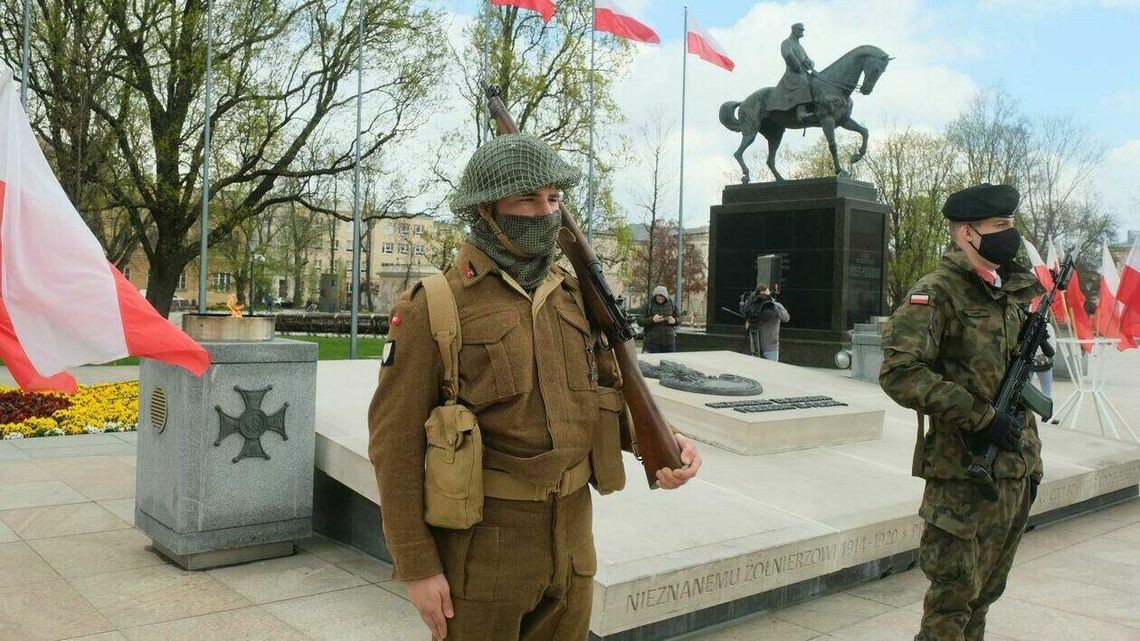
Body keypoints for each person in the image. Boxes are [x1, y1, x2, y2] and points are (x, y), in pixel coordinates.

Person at [367, 133, 702, 641]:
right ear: (485, 209)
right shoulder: (432, 306)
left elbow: (609, 389)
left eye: (554, 199)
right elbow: (394, 445)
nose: (545, 212)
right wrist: (417, 565)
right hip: (483, 548)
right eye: (527, 198)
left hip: (572, 539)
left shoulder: (572, 294)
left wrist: (663, 441)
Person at [879, 183, 1045, 641]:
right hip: (964, 475)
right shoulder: (937, 293)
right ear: (968, 233)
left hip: (1014, 469)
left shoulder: (1008, 290)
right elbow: (899, 372)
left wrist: (1036, 350)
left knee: (985, 596)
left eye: (1011, 224)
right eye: (1000, 226)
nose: (1010, 234)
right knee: (951, 606)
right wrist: (982, 417)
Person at [773, 22, 815, 123]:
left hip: (803, 72)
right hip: (793, 73)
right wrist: (798, 67)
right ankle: (801, 112)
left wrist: (809, 63)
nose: (802, 32)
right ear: (794, 30)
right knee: (802, 81)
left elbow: (808, 59)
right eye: (800, 30)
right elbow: (788, 55)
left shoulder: (800, 47)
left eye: (803, 30)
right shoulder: (787, 43)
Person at [743, 283, 789, 361]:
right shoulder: (755, 308)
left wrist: (773, 306)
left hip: (764, 347)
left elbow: (786, 318)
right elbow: (786, 318)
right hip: (762, 347)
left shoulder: (775, 305)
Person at [639, 285, 679, 353]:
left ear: (666, 297)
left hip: (670, 343)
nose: (660, 301)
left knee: (671, 362)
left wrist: (674, 320)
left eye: (662, 299)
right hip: (653, 343)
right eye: (658, 299)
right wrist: (652, 320)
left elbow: (679, 318)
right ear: (655, 296)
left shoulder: (672, 303)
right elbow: (639, 321)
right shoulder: (648, 304)